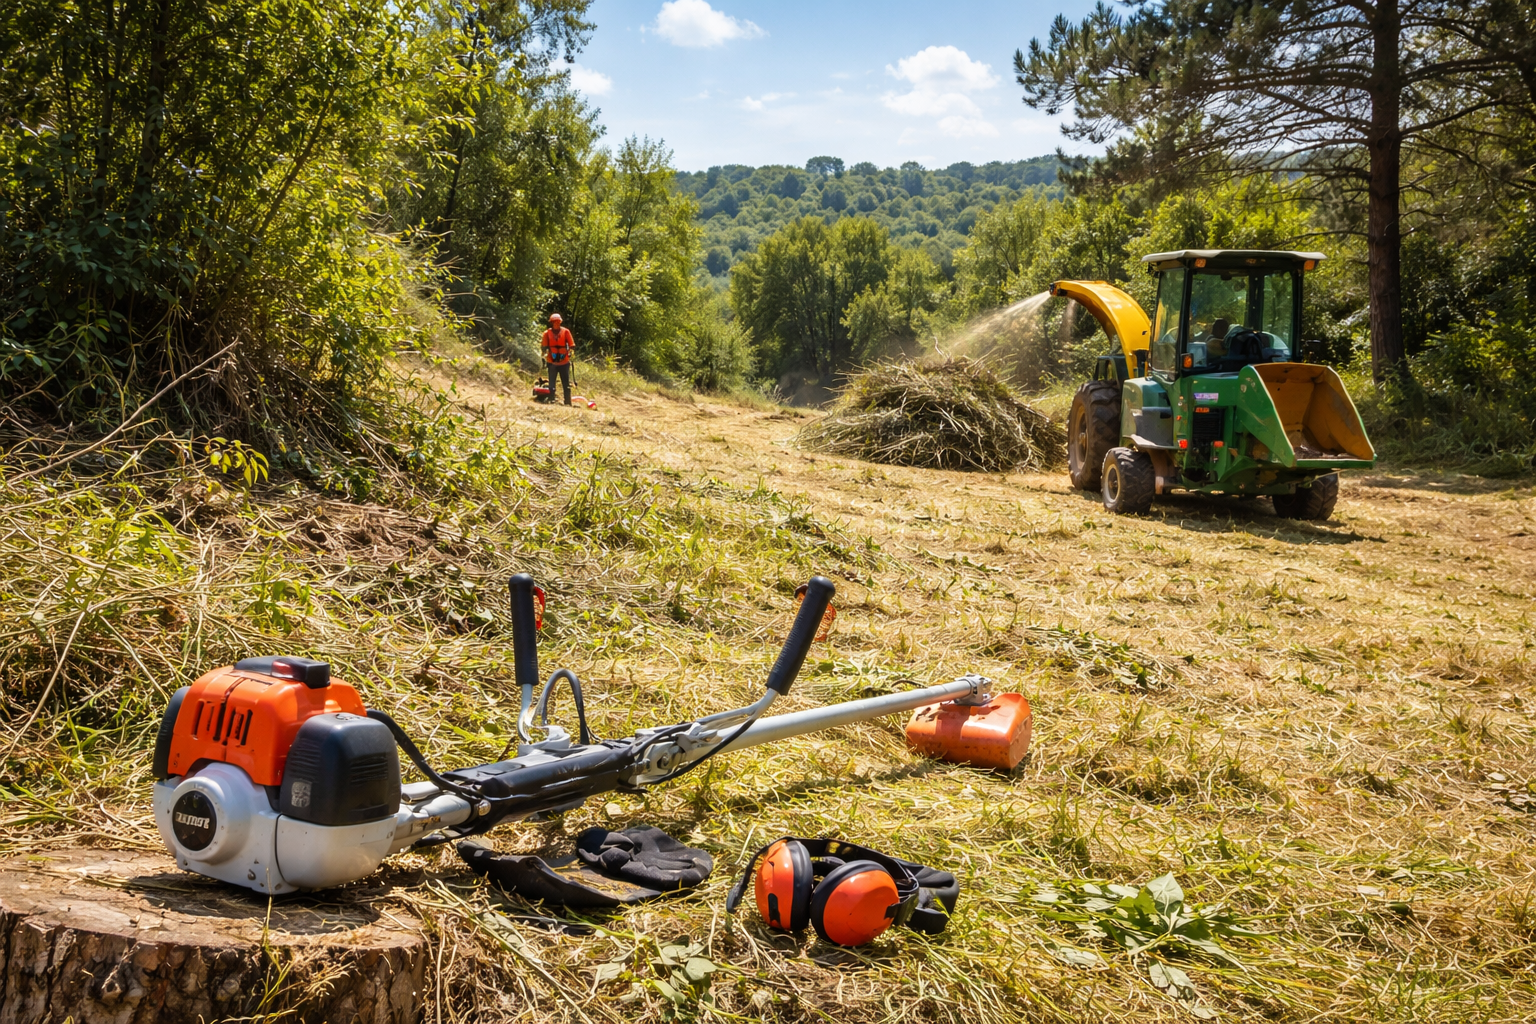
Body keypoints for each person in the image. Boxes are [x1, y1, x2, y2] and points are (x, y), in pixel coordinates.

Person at [541, 313, 574, 406]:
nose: (556, 323)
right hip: (552, 362)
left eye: (558, 322)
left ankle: (567, 402)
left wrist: (571, 352)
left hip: (564, 362)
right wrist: (544, 357)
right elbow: (544, 347)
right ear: (551, 323)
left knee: (566, 383)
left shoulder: (566, 332)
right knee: (551, 383)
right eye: (554, 322)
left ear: (560, 322)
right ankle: (551, 400)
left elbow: (572, 345)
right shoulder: (546, 333)